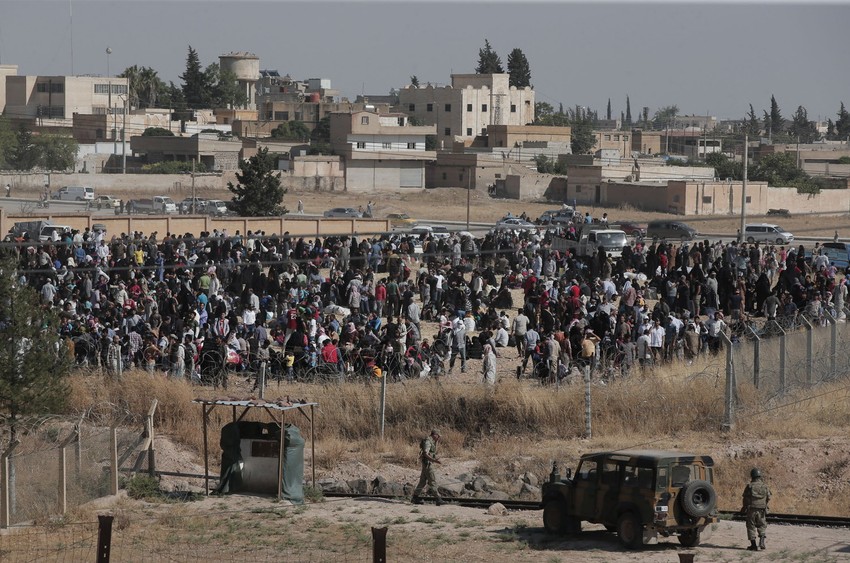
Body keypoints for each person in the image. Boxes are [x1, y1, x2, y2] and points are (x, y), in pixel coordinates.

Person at [741, 467, 771, 551]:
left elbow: (745, 498)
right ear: (760, 476)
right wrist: (765, 505)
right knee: (762, 525)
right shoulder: (765, 486)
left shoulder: (749, 486)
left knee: (751, 526)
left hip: (751, 509)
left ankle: (753, 545)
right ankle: (762, 542)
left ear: (752, 476)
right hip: (762, 509)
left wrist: (744, 507)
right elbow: (768, 497)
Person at [411, 429, 443, 505]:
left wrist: (436, 442)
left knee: (422, 482)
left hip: (426, 464)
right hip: (428, 464)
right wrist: (434, 461)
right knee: (432, 481)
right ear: (434, 435)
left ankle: (415, 498)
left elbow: (431, 452)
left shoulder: (431, 441)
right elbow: (425, 453)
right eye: (438, 436)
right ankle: (438, 499)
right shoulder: (428, 442)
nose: (439, 438)